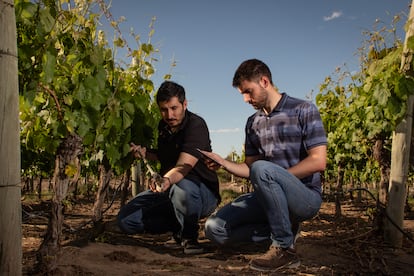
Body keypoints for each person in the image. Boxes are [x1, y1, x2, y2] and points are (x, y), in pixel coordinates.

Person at [201, 59, 327, 271]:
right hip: (267, 196)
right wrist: (223, 163)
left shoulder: (303, 110)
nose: (245, 99)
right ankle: (283, 231)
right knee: (214, 229)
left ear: (265, 81)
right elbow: (251, 168)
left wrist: (275, 177)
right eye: (242, 93)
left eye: (248, 92)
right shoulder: (253, 122)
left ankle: (284, 249)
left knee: (264, 170)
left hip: (305, 197)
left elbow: (318, 160)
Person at [116, 80, 221, 254]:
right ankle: (177, 227)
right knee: (126, 220)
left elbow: (183, 166)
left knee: (183, 185)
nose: (169, 115)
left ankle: (189, 239)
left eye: (174, 108)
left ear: (184, 104)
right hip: (171, 190)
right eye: (164, 110)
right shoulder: (163, 127)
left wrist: (165, 180)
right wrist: (144, 152)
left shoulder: (196, 125)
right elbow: (164, 155)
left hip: (202, 194)